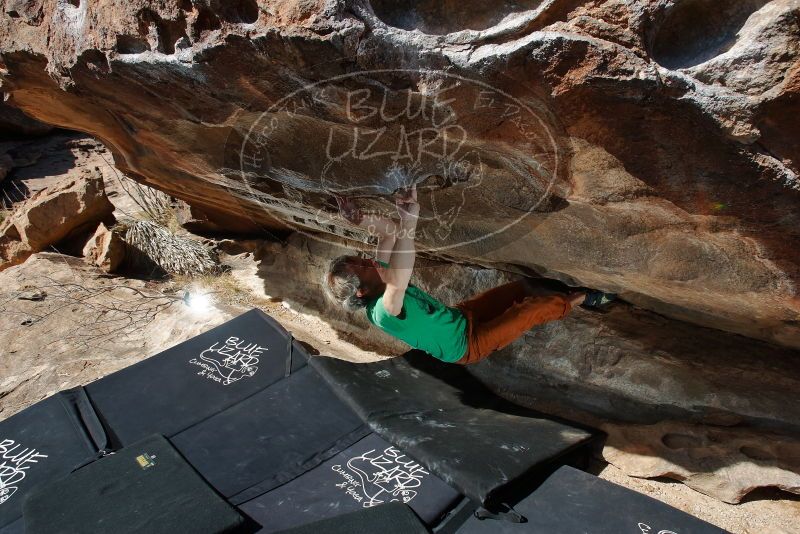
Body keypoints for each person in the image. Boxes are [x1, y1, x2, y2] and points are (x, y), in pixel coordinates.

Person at [324, 185, 614, 364]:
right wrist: (409, 220)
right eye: (360, 265)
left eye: (359, 258)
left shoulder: (377, 273)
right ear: (360, 291)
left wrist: (360, 218)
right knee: (532, 309)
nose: (367, 259)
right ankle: (585, 298)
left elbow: (387, 232)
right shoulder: (383, 311)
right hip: (467, 346)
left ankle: (563, 293)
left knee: (524, 287)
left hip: (461, 317)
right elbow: (401, 273)